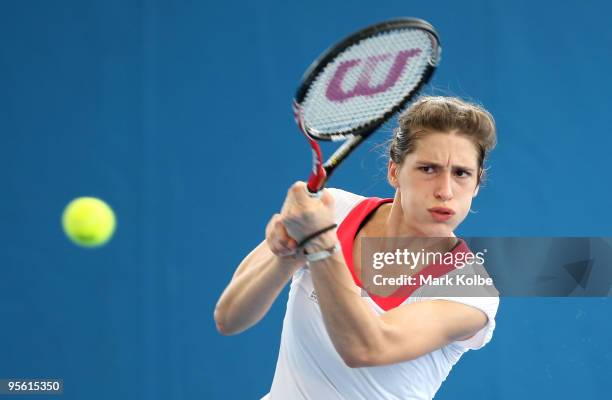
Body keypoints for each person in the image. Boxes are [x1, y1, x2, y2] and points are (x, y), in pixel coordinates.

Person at [214, 96, 500, 399]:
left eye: (461, 173)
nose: (445, 191)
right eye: (428, 169)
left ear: (477, 183)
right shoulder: (333, 208)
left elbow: (367, 346)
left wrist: (321, 244)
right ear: (394, 172)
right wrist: (288, 256)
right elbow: (230, 317)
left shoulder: (471, 290)